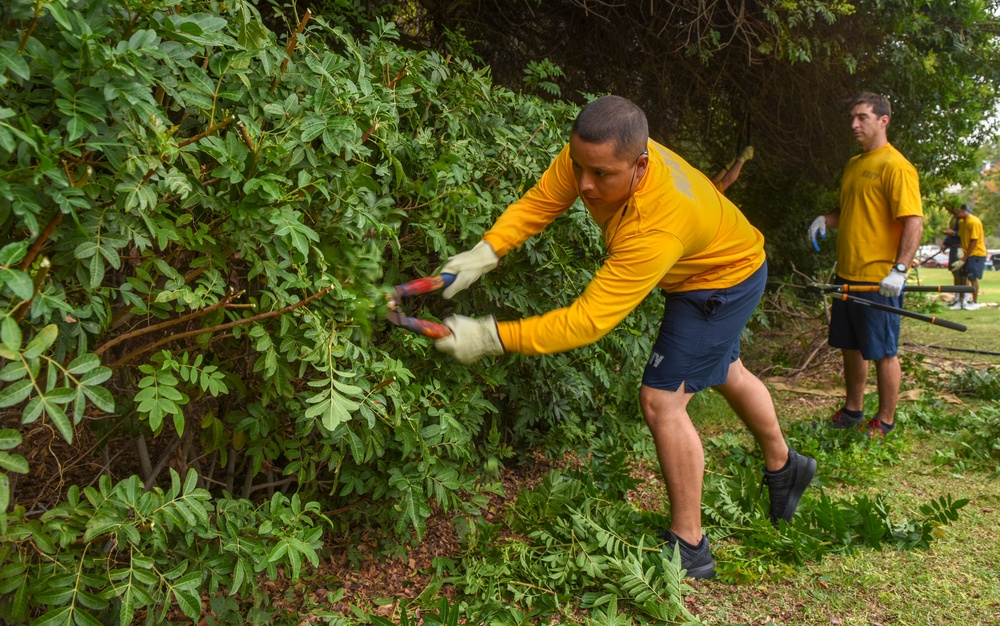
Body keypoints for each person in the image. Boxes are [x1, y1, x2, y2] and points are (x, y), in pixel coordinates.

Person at [434, 95, 816, 579]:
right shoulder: (592, 155)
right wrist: (486, 251)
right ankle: (786, 467)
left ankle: (690, 547)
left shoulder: (656, 222)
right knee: (727, 370)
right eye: (579, 167)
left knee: (661, 401)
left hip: (722, 279)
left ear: (641, 164)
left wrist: (490, 337)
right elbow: (541, 202)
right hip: (718, 257)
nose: (585, 185)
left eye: (602, 175)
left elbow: (587, 321)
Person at [806, 92, 924, 437]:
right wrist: (825, 220)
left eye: (862, 118)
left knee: (884, 352)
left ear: (883, 120)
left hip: (879, 279)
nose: (854, 124)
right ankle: (852, 411)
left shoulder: (896, 166)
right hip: (847, 275)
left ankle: (884, 421)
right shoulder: (855, 164)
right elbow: (849, 212)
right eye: (852, 118)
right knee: (851, 346)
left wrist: (899, 270)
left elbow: (913, 222)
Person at [951, 204, 986, 310]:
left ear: (963, 211)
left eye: (956, 213)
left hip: (976, 254)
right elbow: (962, 236)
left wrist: (964, 258)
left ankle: (975, 302)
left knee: (972, 278)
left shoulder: (974, 222)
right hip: (967, 253)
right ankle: (961, 301)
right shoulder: (962, 222)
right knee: (961, 276)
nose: (955, 216)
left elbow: (974, 241)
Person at [941, 202, 967, 302]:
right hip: (953, 246)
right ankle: (957, 296)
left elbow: (966, 233)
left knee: (961, 272)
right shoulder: (954, 218)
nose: (948, 211)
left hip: (960, 247)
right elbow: (951, 232)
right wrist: (945, 243)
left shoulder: (965, 217)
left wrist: (955, 234)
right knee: (954, 271)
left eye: (949, 209)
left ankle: (963, 297)